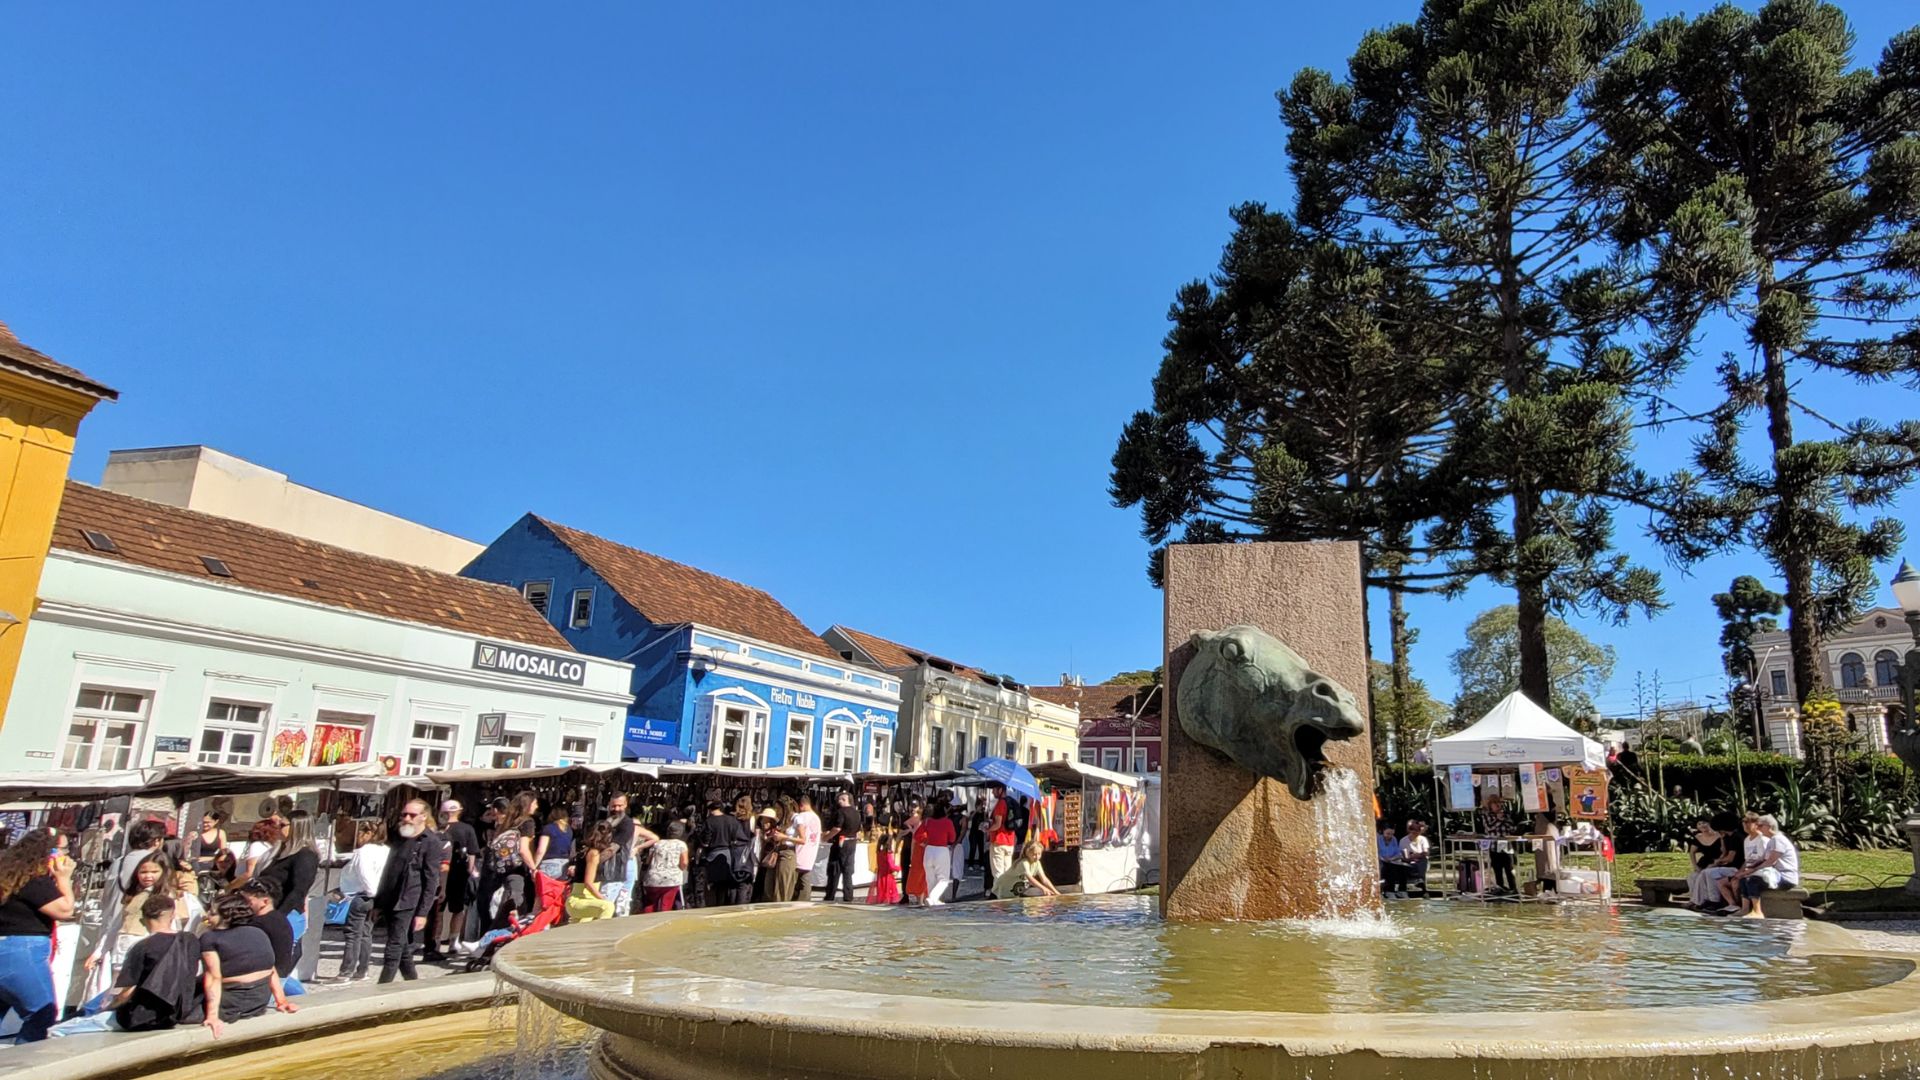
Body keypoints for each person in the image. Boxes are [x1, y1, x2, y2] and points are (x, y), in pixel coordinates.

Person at [50, 894, 202, 1035]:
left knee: (59, 1030)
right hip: (173, 1015)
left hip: (138, 1018)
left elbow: (125, 993)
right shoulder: (190, 941)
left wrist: (107, 1008)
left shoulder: (142, 947)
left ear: (143, 920)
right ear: (173, 915)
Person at [0, 832, 76, 1042]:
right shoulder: (33, 880)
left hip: (7, 946)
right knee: (42, 1012)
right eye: (62, 849)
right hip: (22, 950)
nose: (66, 855)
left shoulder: (10, 876)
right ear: (49, 852)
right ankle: (24, 1069)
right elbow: (65, 910)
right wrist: (64, 879)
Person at [199, 891, 295, 1038]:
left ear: (225, 917)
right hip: (259, 1000)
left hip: (230, 1002)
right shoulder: (258, 932)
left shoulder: (209, 938)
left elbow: (213, 977)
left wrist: (213, 1016)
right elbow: (271, 969)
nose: (207, 917)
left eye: (212, 914)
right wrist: (281, 1001)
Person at [82, 851, 172, 1006]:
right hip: (122, 948)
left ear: (163, 872)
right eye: (143, 872)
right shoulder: (132, 895)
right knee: (117, 988)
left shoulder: (166, 897)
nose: (148, 876)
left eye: (154, 872)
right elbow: (116, 925)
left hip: (144, 947)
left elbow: (171, 926)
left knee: (131, 991)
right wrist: (99, 951)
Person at [372, 800, 441, 982]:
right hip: (391, 898)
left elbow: (431, 879)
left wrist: (423, 913)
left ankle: (382, 988)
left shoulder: (431, 842)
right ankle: (413, 982)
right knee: (401, 946)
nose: (406, 818)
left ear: (423, 817)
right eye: (404, 815)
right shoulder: (399, 836)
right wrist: (378, 902)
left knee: (393, 946)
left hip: (409, 899)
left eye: (411, 815)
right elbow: (389, 871)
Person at [253, 810, 319, 960]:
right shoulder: (282, 852)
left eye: (282, 825)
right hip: (272, 911)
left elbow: (299, 891)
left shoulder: (305, 856)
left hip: (287, 914)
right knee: (271, 967)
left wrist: (278, 917)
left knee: (278, 967)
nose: (278, 828)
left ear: (297, 827)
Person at [335, 820, 387, 981]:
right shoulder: (386, 850)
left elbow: (365, 874)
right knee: (366, 933)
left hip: (362, 894)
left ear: (368, 834)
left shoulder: (364, 852)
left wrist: (370, 891)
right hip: (376, 895)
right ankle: (362, 969)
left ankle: (346, 971)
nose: (357, 837)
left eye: (359, 834)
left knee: (353, 934)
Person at [236, 880, 303, 996]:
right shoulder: (279, 918)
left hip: (268, 980)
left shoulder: (259, 924)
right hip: (281, 974)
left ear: (265, 901)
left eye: (247, 901)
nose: (243, 905)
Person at [484, 794, 539, 931]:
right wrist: (534, 868)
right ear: (528, 805)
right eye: (535, 803)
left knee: (507, 905)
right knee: (514, 905)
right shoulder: (527, 822)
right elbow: (523, 849)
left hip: (504, 868)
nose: (537, 806)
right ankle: (490, 941)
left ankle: (487, 941)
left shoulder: (510, 821)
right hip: (517, 869)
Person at [431, 800, 481, 951]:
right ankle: (454, 941)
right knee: (458, 909)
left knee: (437, 910)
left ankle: (436, 942)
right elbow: (473, 852)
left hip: (439, 874)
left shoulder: (436, 829)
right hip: (460, 874)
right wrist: (470, 870)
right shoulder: (467, 829)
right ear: (459, 811)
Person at [1734, 814, 1800, 919]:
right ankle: (1745, 909)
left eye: (1760, 826)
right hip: (1775, 874)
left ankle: (1757, 911)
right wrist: (1746, 871)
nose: (1757, 828)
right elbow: (1763, 859)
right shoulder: (1771, 840)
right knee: (1744, 879)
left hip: (1786, 876)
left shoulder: (1778, 839)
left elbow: (1771, 861)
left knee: (1753, 880)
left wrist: (1752, 871)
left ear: (1769, 826)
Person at [699, 800, 754, 907]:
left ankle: (714, 908)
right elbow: (739, 838)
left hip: (713, 856)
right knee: (726, 886)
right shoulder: (731, 820)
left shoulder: (709, 821)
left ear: (710, 810)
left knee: (714, 887)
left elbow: (706, 842)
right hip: (728, 855)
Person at [565, 820, 620, 923]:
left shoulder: (587, 851)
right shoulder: (593, 853)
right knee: (607, 907)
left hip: (586, 899)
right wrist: (602, 899)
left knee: (580, 932)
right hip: (581, 899)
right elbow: (588, 883)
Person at [1715, 812, 1768, 914]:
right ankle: (1733, 905)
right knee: (1721, 882)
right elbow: (1747, 860)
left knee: (1736, 883)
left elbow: (1763, 859)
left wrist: (1744, 873)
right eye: (1743, 823)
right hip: (1747, 870)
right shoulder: (1747, 840)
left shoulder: (1762, 839)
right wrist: (1740, 871)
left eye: (1748, 822)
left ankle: (1742, 907)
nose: (1745, 825)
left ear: (1756, 824)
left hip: (1758, 871)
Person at [912, 796, 958, 906]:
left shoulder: (927, 822)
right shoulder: (947, 822)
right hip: (941, 850)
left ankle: (933, 901)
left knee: (930, 879)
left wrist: (924, 842)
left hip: (928, 850)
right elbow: (952, 839)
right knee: (943, 880)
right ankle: (932, 898)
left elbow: (917, 835)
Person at [821, 792, 863, 903]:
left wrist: (826, 837)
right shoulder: (857, 813)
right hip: (852, 842)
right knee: (848, 871)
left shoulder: (840, 812)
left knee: (834, 870)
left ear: (848, 800)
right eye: (839, 799)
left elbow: (837, 828)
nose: (839, 801)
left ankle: (830, 895)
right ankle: (848, 896)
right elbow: (859, 829)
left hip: (840, 842)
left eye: (842, 799)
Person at [1686, 816, 1735, 910]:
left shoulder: (1719, 835)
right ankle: (1694, 900)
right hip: (1704, 862)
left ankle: (1704, 901)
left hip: (1718, 861)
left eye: (1704, 823)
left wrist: (1716, 863)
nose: (1702, 825)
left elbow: (1724, 852)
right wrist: (1695, 866)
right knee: (1692, 876)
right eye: (1699, 824)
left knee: (1703, 876)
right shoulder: (1698, 837)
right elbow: (1692, 852)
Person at [641, 821, 690, 913]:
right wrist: (680, 870)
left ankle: (646, 922)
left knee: (650, 905)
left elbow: (648, 861)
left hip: (653, 878)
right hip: (671, 879)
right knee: (665, 906)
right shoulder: (681, 844)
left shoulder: (657, 844)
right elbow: (684, 862)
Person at [755, 807, 799, 903]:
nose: (764, 823)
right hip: (764, 863)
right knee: (767, 887)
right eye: (763, 820)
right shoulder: (760, 831)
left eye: (767, 821)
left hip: (773, 861)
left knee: (779, 887)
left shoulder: (777, 831)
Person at [990, 840, 1060, 899]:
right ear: (1027, 852)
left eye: (1039, 854)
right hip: (1000, 891)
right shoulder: (1023, 863)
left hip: (1013, 893)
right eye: (1034, 854)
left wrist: (1055, 892)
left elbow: (1044, 879)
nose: (1037, 857)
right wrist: (1043, 888)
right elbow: (1031, 879)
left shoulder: (1037, 863)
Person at [1481, 793, 1518, 895]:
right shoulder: (1486, 815)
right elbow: (1489, 828)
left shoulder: (1506, 814)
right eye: (1495, 804)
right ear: (1490, 805)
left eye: (1499, 803)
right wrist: (1498, 819)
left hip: (1506, 844)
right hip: (1494, 844)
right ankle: (1500, 889)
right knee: (1498, 869)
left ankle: (1513, 889)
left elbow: (1512, 828)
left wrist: (1504, 819)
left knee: (1509, 868)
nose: (1498, 806)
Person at [189, 811, 231, 900]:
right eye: (203, 822)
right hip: (197, 860)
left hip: (213, 859)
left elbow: (224, 852)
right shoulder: (196, 833)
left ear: (216, 821)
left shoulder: (220, 833)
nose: (205, 825)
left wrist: (210, 858)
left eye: (208, 822)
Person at [791, 794, 822, 903]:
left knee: (797, 880)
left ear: (801, 805)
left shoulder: (802, 817)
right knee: (806, 879)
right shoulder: (816, 818)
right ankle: (805, 900)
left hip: (799, 851)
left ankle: (800, 900)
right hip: (811, 851)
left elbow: (797, 833)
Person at [987, 788, 1018, 894]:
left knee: (998, 873)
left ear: (1000, 789)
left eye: (994, 790)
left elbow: (998, 824)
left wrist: (987, 829)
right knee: (1007, 871)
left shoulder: (1001, 803)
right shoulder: (1012, 801)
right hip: (1010, 842)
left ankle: (998, 896)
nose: (992, 792)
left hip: (999, 841)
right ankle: (1007, 894)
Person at [534, 805, 574, 882]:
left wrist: (534, 867)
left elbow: (541, 850)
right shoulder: (569, 830)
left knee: (543, 892)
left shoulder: (548, 828)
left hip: (549, 864)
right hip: (564, 864)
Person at [1398, 820, 1432, 899]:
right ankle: (1402, 890)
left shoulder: (1422, 839)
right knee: (1403, 865)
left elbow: (1426, 852)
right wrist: (1410, 858)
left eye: (1418, 832)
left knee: (1423, 861)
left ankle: (1422, 885)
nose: (1416, 834)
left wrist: (1417, 855)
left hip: (1420, 860)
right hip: (1408, 860)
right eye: (1414, 832)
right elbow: (1403, 855)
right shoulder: (1403, 841)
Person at [866, 833, 901, 905]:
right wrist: (899, 868)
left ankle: (883, 900)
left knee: (881, 890)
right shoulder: (888, 853)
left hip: (880, 875)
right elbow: (891, 866)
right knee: (889, 891)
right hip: (887, 876)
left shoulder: (879, 852)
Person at [1376, 823, 1402, 897]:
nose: (1389, 836)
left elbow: (1398, 853)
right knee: (1383, 867)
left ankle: (1390, 891)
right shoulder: (1378, 839)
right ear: (1383, 832)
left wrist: (1391, 859)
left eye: (1391, 834)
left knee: (1393, 867)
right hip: (1380, 860)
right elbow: (1375, 852)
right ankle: (1381, 890)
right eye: (1387, 834)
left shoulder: (1394, 839)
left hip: (1391, 861)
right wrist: (1382, 858)